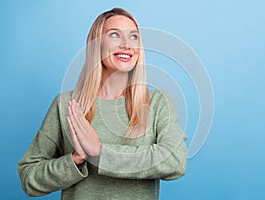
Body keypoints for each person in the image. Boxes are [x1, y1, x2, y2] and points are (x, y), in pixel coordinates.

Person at [18, 7, 187, 200]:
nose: (126, 45)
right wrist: (75, 160)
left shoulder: (158, 103)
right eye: (115, 35)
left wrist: (99, 153)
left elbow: (175, 161)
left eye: (133, 37)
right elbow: (29, 177)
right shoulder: (66, 105)